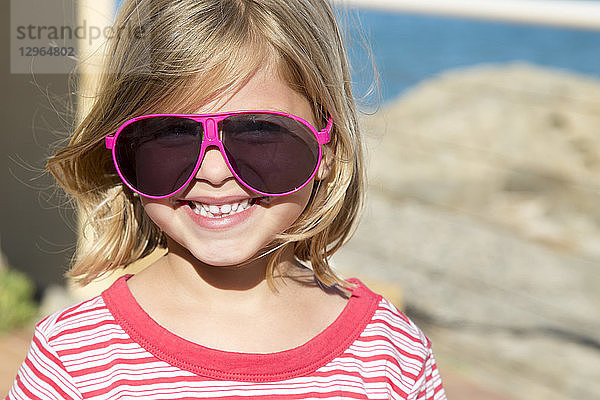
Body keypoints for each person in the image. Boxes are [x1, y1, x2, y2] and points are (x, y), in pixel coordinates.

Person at [6, 0, 446, 399]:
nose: (213, 172)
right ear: (125, 150)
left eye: (258, 131)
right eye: (172, 133)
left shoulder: (391, 355)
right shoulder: (72, 360)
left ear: (326, 147)